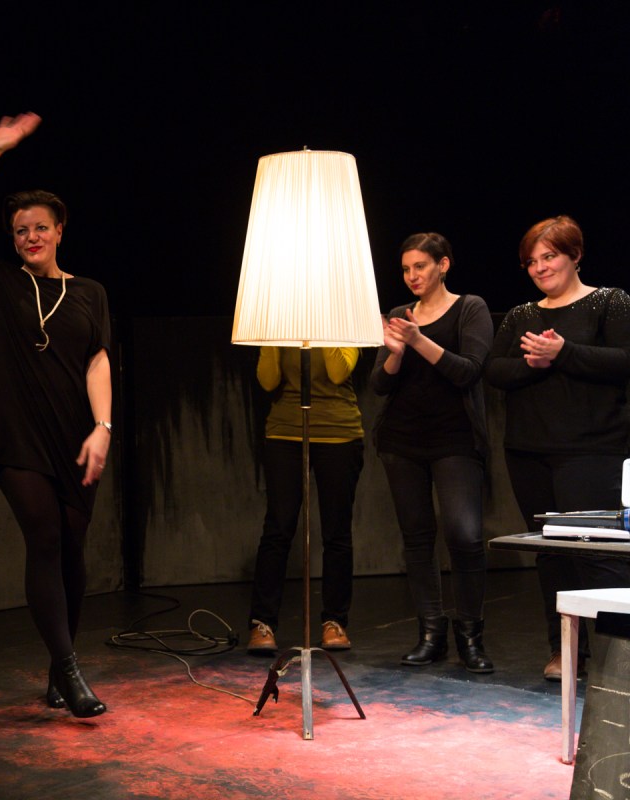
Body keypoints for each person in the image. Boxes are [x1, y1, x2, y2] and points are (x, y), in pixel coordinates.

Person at [0, 112, 112, 717]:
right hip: (14, 437)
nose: (30, 237)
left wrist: (103, 428)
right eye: (21, 230)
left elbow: (97, 360)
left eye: (41, 227)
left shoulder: (89, 292)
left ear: (60, 230)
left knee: (71, 549)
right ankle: (69, 671)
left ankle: (58, 666)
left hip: (74, 438)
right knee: (42, 534)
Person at [484, 214, 630, 681]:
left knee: (597, 554)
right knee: (551, 554)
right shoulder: (522, 315)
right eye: (531, 261)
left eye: (549, 257)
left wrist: (562, 352)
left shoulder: (610, 302)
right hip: (529, 451)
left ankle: (614, 658)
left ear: (575, 255)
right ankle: (564, 652)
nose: (540, 268)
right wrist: (536, 362)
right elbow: (494, 370)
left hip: (592, 450)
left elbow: (623, 361)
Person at [371, 233, 494, 673]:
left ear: (443, 264)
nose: (412, 276)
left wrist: (418, 340)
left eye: (420, 266)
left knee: (465, 536)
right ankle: (430, 635)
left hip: (454, 438)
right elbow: (379, 384)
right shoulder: (399, 314)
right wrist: (395, 353)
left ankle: (470, 638)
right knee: (417, 538)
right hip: (402, 440)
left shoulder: (470, 308)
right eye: (406, 269)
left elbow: (469, 371)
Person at [246, 346, 364, 656]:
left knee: (337, 532)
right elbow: (268, 381)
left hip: (338, 431)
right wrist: (275, 338)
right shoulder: (281, 322)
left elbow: (338, 372)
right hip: (285, 431)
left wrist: (323, 327)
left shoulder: (344, 321)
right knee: (278, 528)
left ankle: (335, 621)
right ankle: (262, 623)